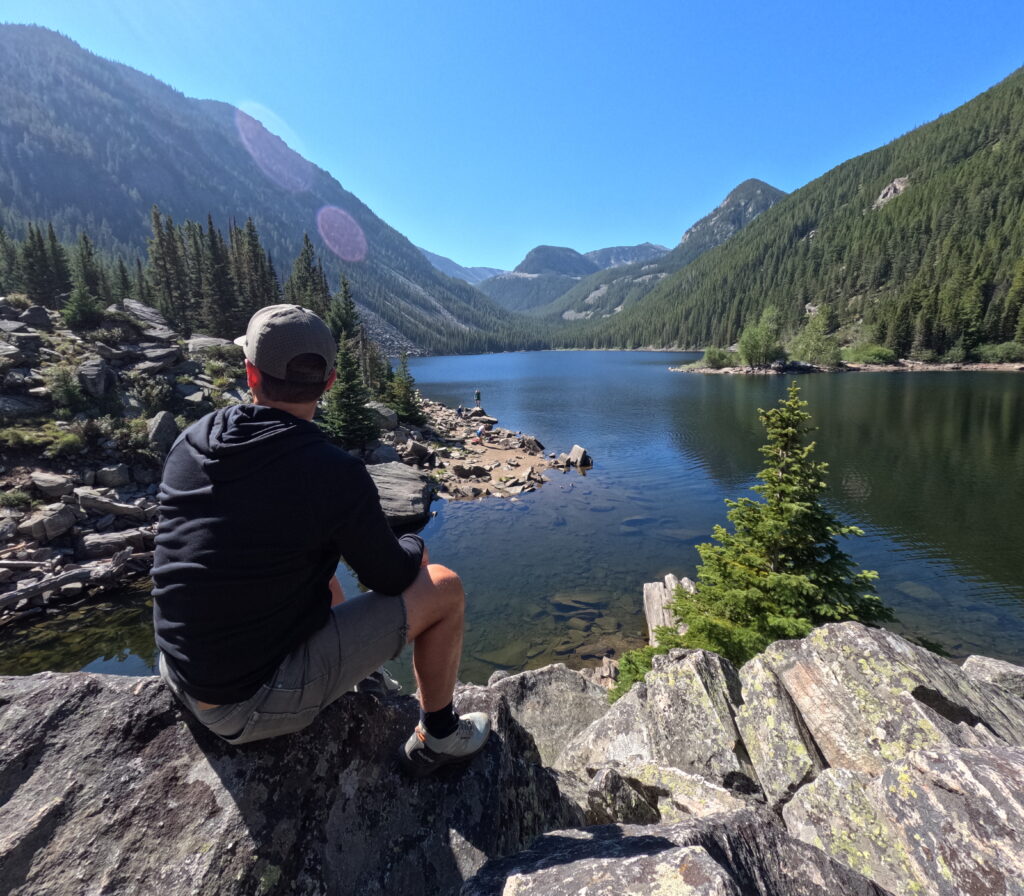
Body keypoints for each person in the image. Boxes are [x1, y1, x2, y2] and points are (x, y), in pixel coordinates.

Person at [152, 303, 489, 776]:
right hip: (244, 707)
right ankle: (439, 735)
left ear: (250, 373)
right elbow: (390, 577)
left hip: (177, 668)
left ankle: (358, 679)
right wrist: (415, 547)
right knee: (443, 586)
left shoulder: (193, 439)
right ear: (329, 383)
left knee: (320, 570)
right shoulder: (331, 470)